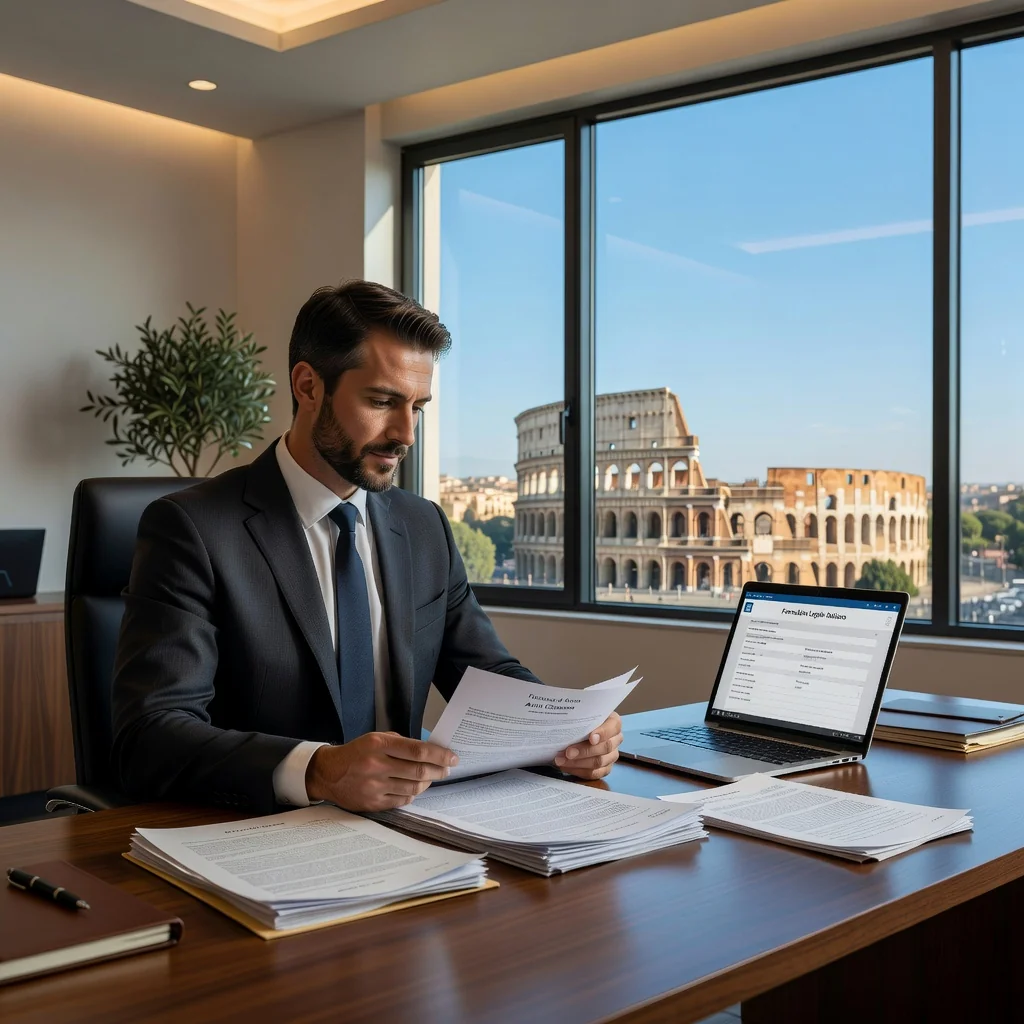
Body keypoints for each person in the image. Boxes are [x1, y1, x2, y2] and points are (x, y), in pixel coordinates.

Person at [111, 280, 623, 814]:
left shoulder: (423, 526)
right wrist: (319, 770)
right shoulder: (192, 528)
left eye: (418, 407)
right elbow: (149, 736)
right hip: (260, 837)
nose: (406, 433)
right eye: (382, 401)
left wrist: (566, 730)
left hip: (415, 833)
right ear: (308, 387)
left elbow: (488, 678)